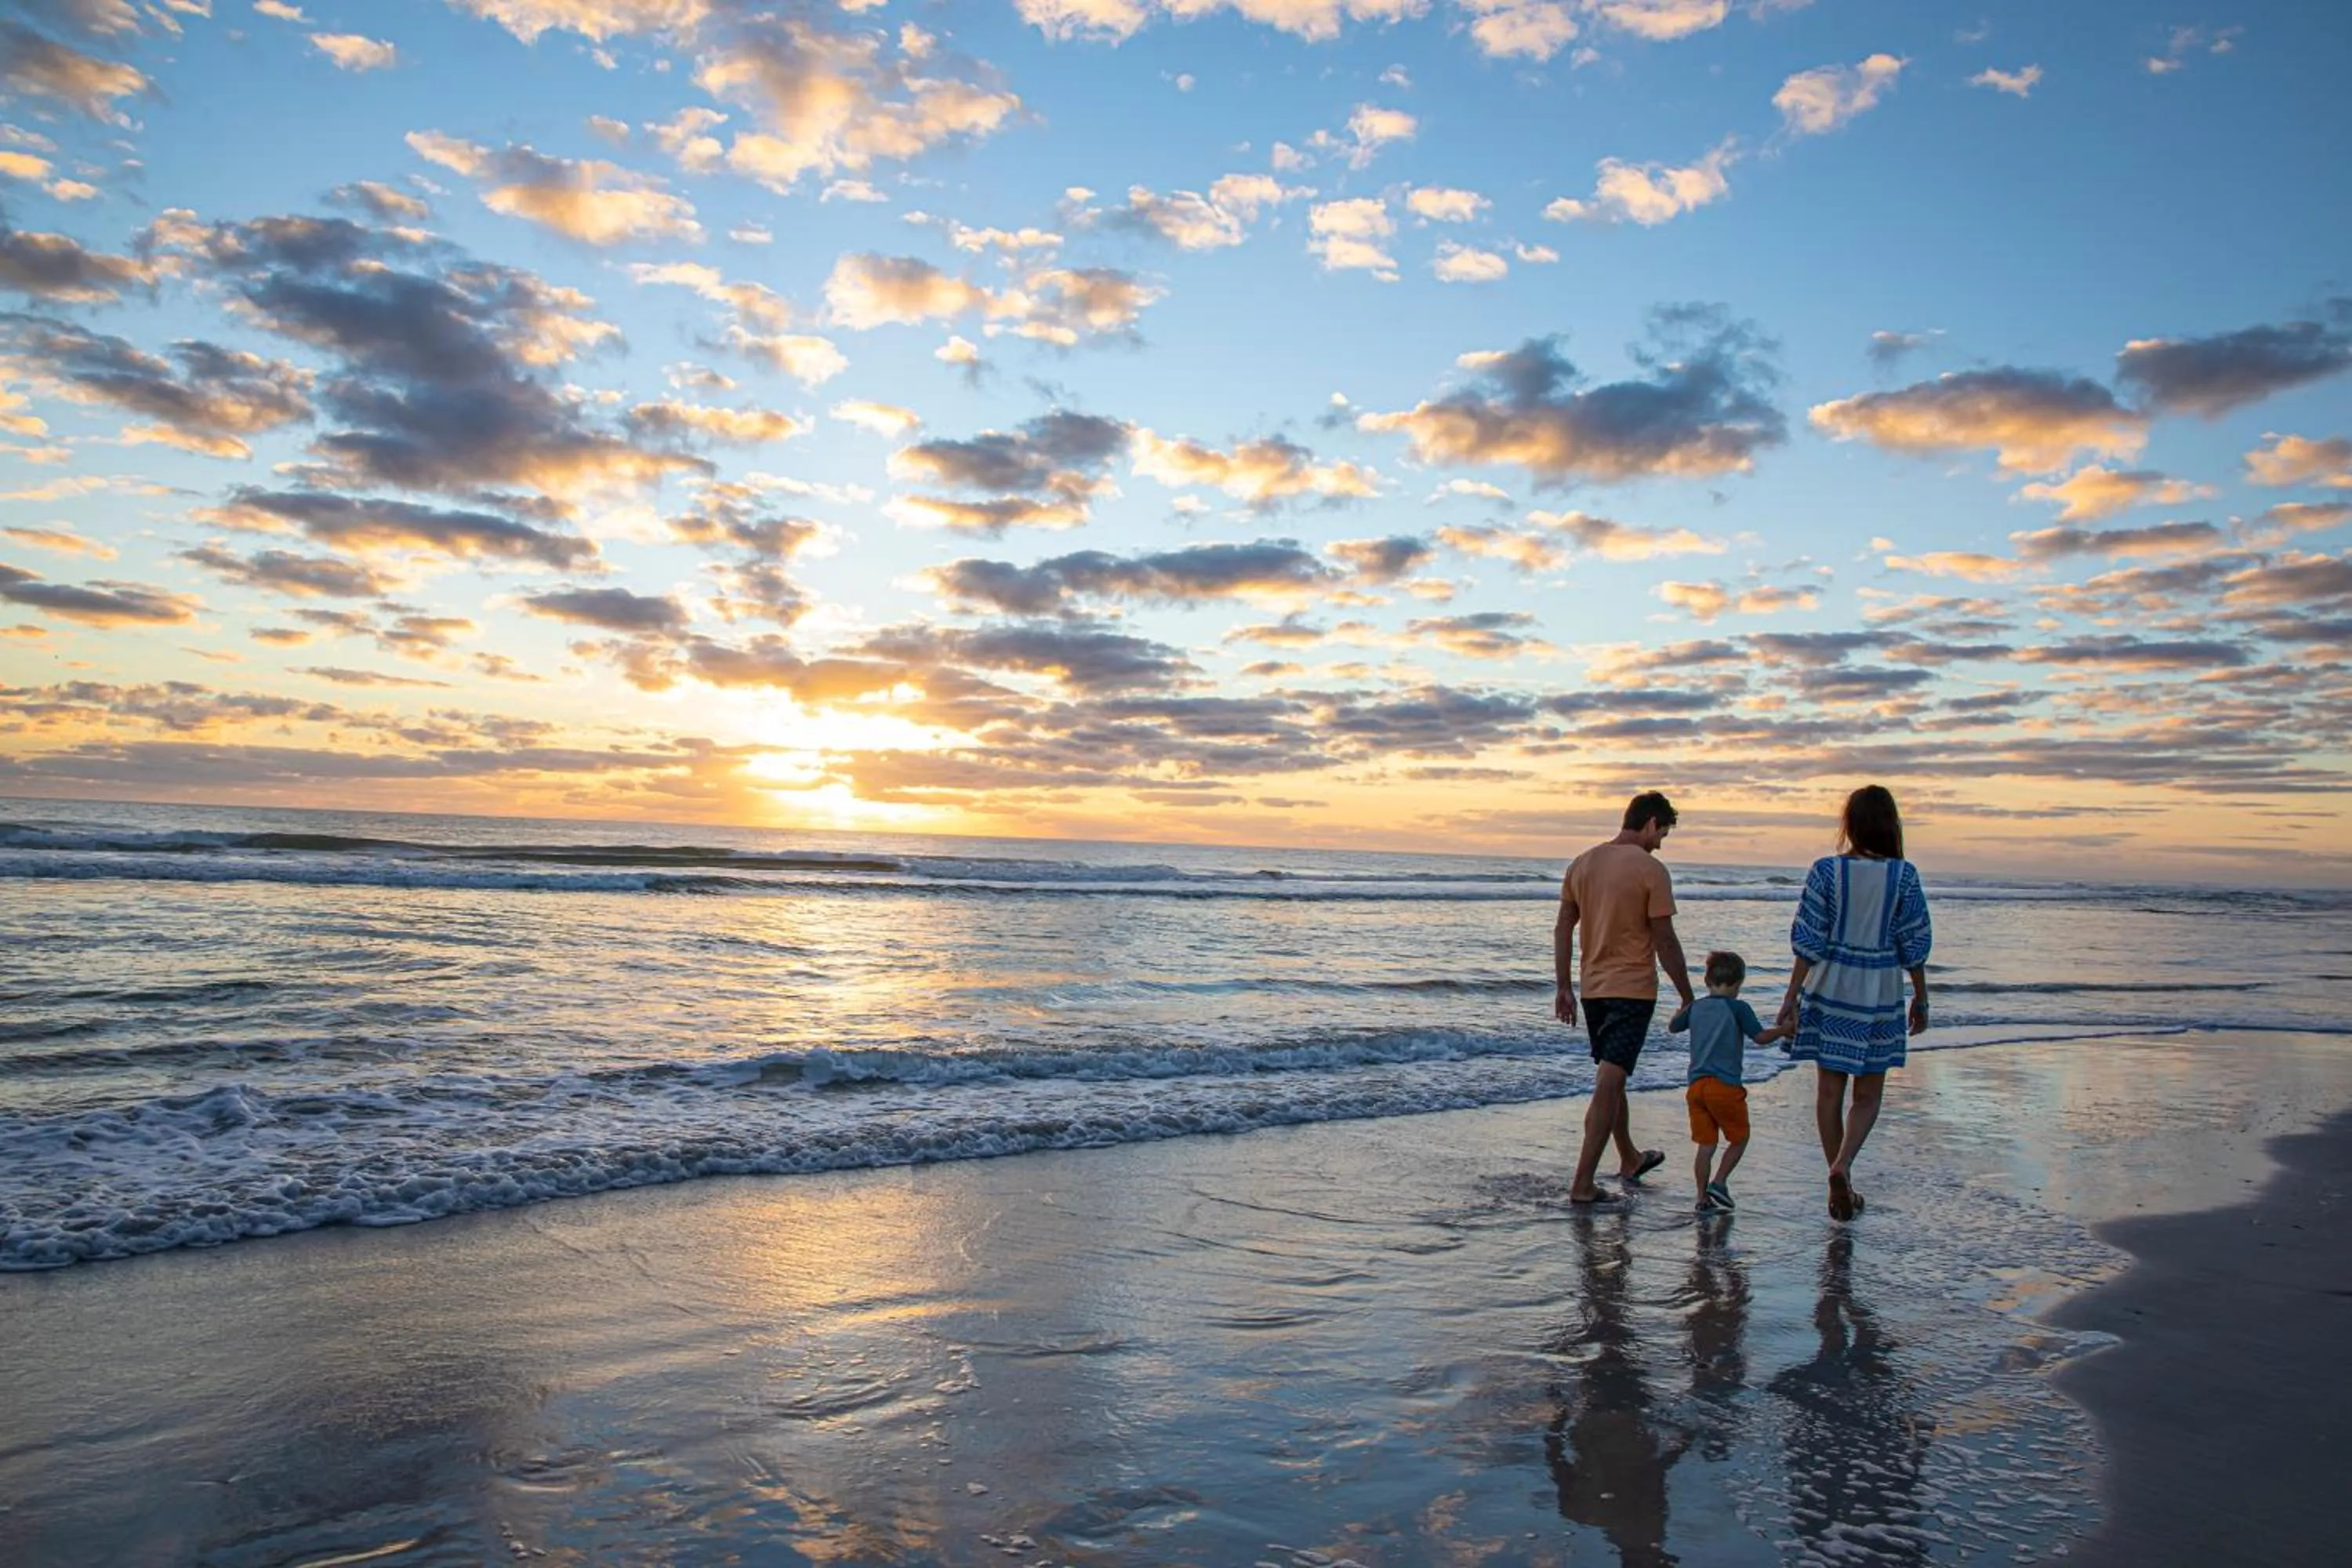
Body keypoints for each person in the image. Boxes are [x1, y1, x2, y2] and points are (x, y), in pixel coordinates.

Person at [1773, 785, 1933, 1221]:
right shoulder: (1905, 875)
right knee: (1868, 1093)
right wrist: (1920, 995)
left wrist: (1790, 998)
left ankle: (1835, 1175)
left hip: (1831, 983)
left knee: (1829, 1090)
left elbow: (1807, 940)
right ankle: (1843, 1167)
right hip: (1879, 988)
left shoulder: (1826, 871)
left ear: (1851, 824)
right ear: (1891, 825)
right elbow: (1913, 941)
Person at [1555, 791, 1695, 1206]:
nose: (1660, 843)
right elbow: (1664, 940)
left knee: (1611, 1077)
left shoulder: (1582, 863)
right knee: (1610, 1081)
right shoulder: (1651, 869)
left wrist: (1563, 986)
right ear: (1651, 823)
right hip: (1632, 990)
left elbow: (1563, 928)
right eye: (1662, 834)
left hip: (1593, 990)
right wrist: (1687, 995)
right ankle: (1583, 1183)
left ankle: (1630, 1157)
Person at [1668, 949, 1791, 1212]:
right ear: (1738, 984)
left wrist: (1685, 1005)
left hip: (1696, 1087)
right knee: (1739, 1138)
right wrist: (1784, 1030)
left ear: (1706, 981)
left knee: (1706, 1145)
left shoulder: (1697, 1007)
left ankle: (1702, 1198)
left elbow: (1674, 1026)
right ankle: (1720, 1182)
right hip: (1725, 1086)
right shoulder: (1738, 1008)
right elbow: (1759, 1037)